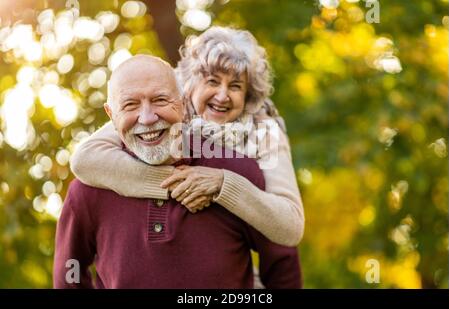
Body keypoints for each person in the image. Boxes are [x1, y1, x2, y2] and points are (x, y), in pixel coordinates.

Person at [53, 55, 301, 288]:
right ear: (111, 114)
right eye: (130, 105)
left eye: (160, 100)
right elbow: (69, 271)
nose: (147, 118)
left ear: (183, 104)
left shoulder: (238, 170)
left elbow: (282, 264)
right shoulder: (88, 190)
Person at [70, 26, 304, 247]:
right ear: (188, 85)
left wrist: (222, 184)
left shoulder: (264, 130)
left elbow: (291, 226)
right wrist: (177, 185)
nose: (222, 96)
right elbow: (85, 159)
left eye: (235, 86)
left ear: (248, 95)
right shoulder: (162, 109)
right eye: (212, 81)